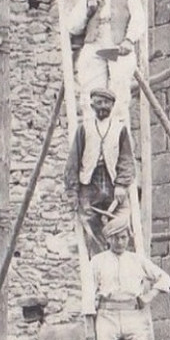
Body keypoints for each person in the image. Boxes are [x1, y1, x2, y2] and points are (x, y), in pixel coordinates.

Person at [88, 213, 170, 340]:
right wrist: (89, 325)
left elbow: (164, 277)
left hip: (133, 314)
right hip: (107, 315)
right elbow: (88, 294)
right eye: (116, 238)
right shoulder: (97, 262)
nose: (120, 242)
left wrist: (149, 296)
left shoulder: (136, 260)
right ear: (108, 239)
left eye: (124, 237)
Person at [67, 0, 145, 123]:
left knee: (119, 89)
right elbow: (72, 26)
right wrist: (89, 11)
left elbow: (139, 19)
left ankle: (118, 133)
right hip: (95, 43)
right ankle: (92, 131)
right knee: (90, 91)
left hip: (117, 44)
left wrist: (129, 40)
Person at [64, 87, 135, 253]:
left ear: (112, 105)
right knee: (89, 219)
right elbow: (73, 161)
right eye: (99, 102)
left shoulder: (119, 128)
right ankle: (99, 257)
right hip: (90, 183)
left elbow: (126, 159)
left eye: (107, 103)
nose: (103, 106)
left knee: (122, 219)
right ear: (92, 104)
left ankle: (118, 253)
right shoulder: (84, 128)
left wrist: (122, 185)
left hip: (111, 181)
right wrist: (72, 193)